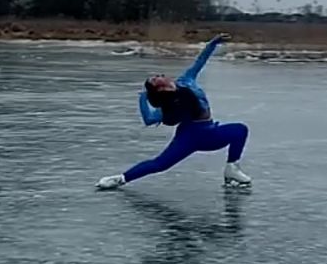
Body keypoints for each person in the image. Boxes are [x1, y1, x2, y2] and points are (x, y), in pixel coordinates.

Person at [96, 35, 251, 190]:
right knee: (160, 164)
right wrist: (143, 98)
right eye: (154, 79)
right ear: (157, 88)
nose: (158, 75)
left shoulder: (186, 80)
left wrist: (212, 44)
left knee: (239, 130)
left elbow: (200, 62)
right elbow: (149, 119)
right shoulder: (168, 104)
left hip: (209, 131)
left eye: (157, 75)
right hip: (190, 135)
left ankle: (232, 170)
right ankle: (120, 178)